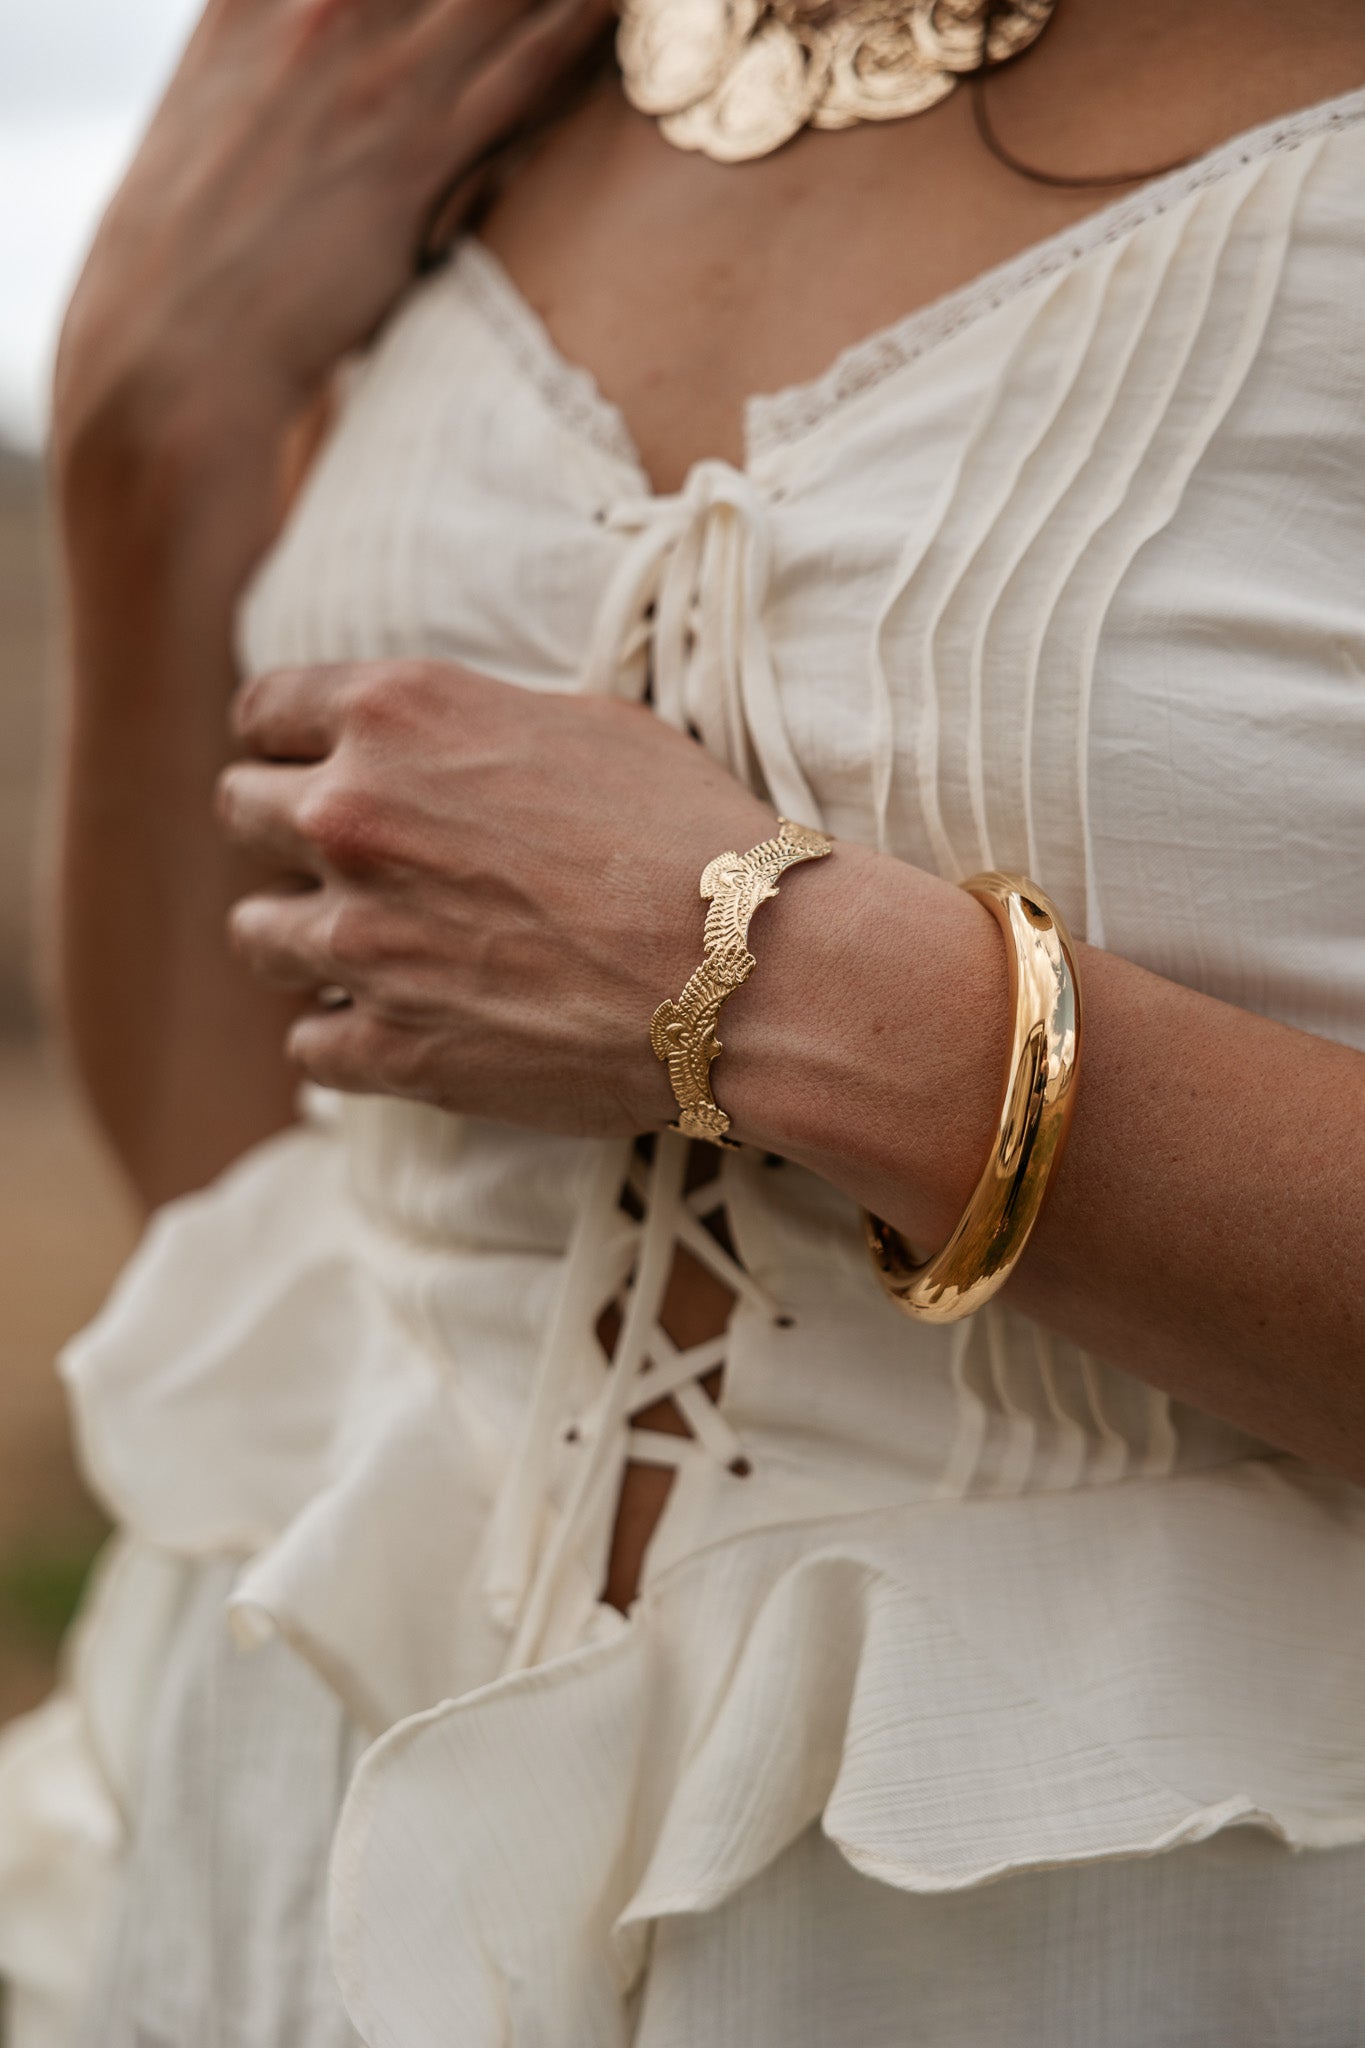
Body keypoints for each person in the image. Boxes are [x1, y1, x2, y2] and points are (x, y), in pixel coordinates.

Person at [1, 0, 1364, 2040]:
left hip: (1125, 1924)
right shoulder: (432, 61)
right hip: (288, 1853)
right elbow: (251, 1189)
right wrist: (145, 432)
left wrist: (764, 978)